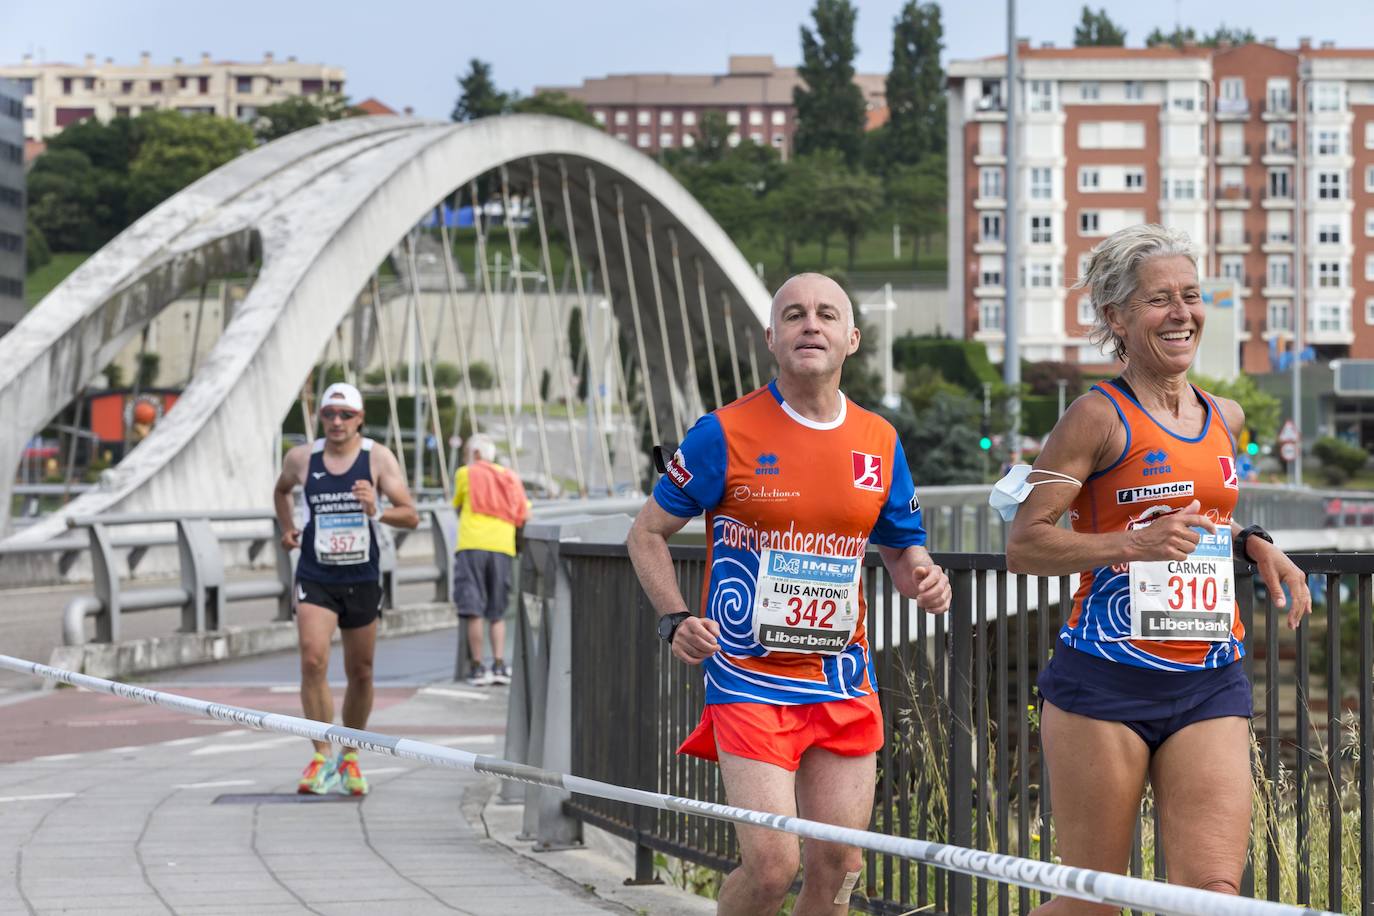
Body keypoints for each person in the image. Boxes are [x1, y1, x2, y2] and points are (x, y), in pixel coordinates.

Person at [999, 224, 1311, 912]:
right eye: (1158, 300)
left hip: (1208, 681)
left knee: (1213, 895)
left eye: (1192, 297)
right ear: (1116, 318)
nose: (1182, 313)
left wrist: (1252, 539)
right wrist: (1130, 546)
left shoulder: (1223, 415)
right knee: (1095, 900)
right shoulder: (1094, 417)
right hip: (1103, 686)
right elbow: (1025, 545)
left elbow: (1199, 518)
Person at [627, 273, 951, 916]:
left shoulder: (879, 440)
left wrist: (923, 575)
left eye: (827, 314)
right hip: (749, 680)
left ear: (851, 338)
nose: (811, 324)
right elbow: (646, 534)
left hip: (842, 681)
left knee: (840, 866)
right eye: (795, 314)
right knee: (774, 867)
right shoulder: (723, 432)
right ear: (771, 338)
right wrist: (675, 617)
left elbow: (899, 545)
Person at [274, 382, 418, 795]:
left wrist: (378, 510)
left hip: (360, 578)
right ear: (321, 417)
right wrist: (288, 528)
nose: (337, 422)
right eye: (329, 414)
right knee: (313, 661)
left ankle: (350, 755)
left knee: (361, 671)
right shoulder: (302, 458)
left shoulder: (377, 458)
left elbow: (411, 515)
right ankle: (321, 755)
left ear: (359, 419)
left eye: (346, 415)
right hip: (317, 574)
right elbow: (281, 490)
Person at [452, 433, 529, 687]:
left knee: (473, 609)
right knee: (497, 611)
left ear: (475, 454)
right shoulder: (511, 477)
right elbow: (523, 514)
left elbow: (458, 506)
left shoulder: (466, 473)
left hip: (472, 545)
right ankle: (498, 664)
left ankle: (476, 667)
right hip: (502, 547)